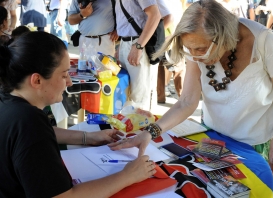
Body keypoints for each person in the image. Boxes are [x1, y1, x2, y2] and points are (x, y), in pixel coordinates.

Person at [109, 0, 273, 178]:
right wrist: (149, 132)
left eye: (201, 49)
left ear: (224, 37)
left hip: (256, 145)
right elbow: (186, 101)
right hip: (213, 139)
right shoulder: (195, 45)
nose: (194, 56)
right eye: (189, 49)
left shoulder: (262, 41)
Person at [0, 31, 156, 197]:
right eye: (64, 74)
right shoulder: (29, 123)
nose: (69, 82)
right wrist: (128, 176)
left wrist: (87, 137)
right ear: (37, 80)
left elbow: (34, 136)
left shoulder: (9, 99)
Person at [115, 0, 161, 111]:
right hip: (126, 42)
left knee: (138, 98)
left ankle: (141, 127)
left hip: (136, 43)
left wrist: (139, 46)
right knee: (127, 93)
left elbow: (155, 15)